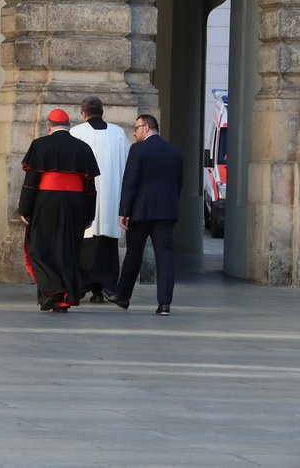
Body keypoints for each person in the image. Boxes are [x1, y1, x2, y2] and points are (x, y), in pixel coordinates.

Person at [18, 109, 100, 313]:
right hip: (76, 203)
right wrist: (90, 214)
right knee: (68, 250)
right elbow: (90, 187)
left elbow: (31, 182)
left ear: (48, 126)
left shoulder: (39, 145)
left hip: (46, 202)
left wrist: (24, 209)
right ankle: (64, 299)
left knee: (39, 247)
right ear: (69, 125)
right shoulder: (83, 148)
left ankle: (53, 290)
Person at [104, 114, 184, 315]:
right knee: (165, 256)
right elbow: (178, 184)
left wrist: (124, 211)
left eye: (136, 128)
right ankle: (164, 303)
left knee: (134, 254)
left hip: (141, 212)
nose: (134, 132)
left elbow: (131, 182)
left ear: (147, 128)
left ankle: (123, 296)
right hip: (166, 212)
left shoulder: (138, 149)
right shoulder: (175, 151)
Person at [69, 96, 129, 303]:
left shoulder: (77, 133)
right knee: (106, 245)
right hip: (113, 197)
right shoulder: (118, 133)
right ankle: (105, 287)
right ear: (102, 112)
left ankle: (81, 286)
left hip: (86, 196)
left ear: (83, 113)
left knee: (85, 243)